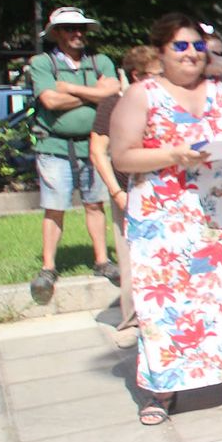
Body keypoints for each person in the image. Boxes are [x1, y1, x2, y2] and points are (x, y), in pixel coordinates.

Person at [107, 13, 222, 423]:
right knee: (167, 305)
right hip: (167, 218)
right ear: (160, 51)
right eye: (180, 46)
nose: (189, 54)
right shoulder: (142, 94)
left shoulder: (221, 89)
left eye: (196, 45)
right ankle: (162, 390)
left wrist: (218, 63)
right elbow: (122, 156)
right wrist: (173, 155)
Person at [26, 6, 122, 304]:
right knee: (54, 206)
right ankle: (49, 266)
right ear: (56, 33)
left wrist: (69, 88)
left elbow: (114, 91)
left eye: (80, 28)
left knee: (95, 203)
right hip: (54, 146)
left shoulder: (100, 60)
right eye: (69, 28)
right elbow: (50, 101)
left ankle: (102, 260)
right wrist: (92, 92)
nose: (77, 33)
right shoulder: (42, 63)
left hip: (94, 145)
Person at [89, 45, 162, 345]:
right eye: (157, 75)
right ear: (137, 75)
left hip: (160, 190)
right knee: (132, 257)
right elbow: (97, 152)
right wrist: (117, 192)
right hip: (127, 190)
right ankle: (133, 320)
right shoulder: (113, 104)